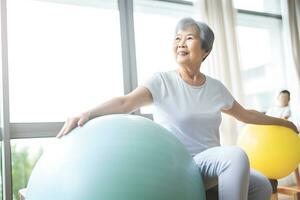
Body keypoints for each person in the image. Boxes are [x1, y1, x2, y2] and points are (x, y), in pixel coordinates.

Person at [57, 18, 298, 200]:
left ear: (205, 51)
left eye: (189, 38)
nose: (181, 42)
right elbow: (125, 103)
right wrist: (87, 113)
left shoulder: (215, 88)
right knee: (235, 156)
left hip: (210, 163)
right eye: (177, 38)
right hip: (179, 164)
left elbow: (247, 115)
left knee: (263, 186)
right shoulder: (162, 81)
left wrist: (284, 122)